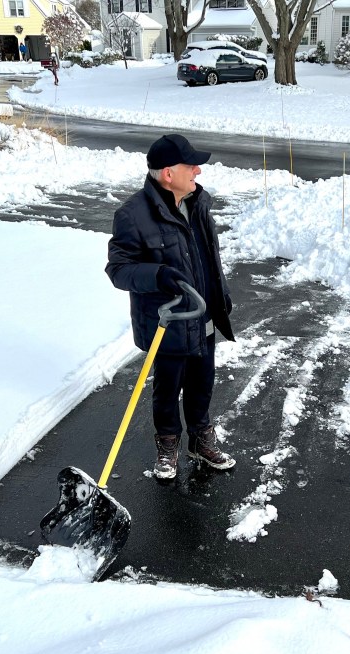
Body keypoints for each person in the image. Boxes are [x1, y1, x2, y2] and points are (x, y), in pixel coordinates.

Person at [106, 134, 236, 480]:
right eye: (189, 164)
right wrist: (157, 274)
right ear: (167, 173)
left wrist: (219, 293)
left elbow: (208, 256)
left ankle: (200, 438)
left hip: (203, 315)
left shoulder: (198, 202)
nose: (197, 169)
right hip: (168, 323)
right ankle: (168, 442)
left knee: (202, 382)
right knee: (168, 388)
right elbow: (118, 270)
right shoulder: (133, 215)